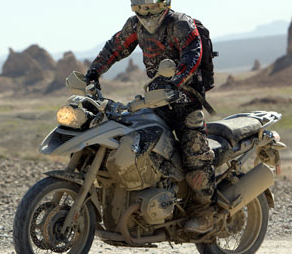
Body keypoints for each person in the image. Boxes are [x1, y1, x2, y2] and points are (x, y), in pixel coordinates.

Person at [85, 0, 216, 234]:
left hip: (186, 99)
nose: (146, 11)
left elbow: (192, 54)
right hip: (156, 99)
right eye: (140, 6)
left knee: (195, 155)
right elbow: (115, 48)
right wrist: (94, 72)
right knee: (138, 141)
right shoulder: (135, 26)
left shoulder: (180, 24)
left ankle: (204, 212)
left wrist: (177, 82)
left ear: (164, 3)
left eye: (151, 5)